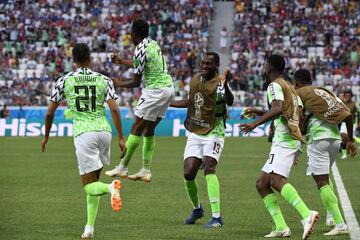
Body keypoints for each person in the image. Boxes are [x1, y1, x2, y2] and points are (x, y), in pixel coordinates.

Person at [40, 43, 126, 239]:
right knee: (93, 182)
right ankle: (89, 228)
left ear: (74, 61)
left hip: (84, 134)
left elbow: (49, 113)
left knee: (89, 185)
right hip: (104, 131)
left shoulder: (64, 81)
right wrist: (121, 137)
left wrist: (46, 135)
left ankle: (110, 187)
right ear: (90, 59)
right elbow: (114, 109)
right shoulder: (104, 79)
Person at [240, 54, 319, 239]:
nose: (264, 67)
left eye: (265, 64)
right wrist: (297, 141)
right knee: (262, 184)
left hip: (284, 140)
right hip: (290, 140)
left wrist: (255, 123)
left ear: (269, 67)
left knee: (276, 180)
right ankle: (281, 227)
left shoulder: (274, 85)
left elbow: (277, 109)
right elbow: (297, 113)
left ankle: (307, 214)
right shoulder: (291, 87)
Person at [105, 19, 174, 182]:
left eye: (131, 31)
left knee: (136, 128)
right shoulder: (152, 44)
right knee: (148, 130)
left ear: (134, 33)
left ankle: (122, 167)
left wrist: (118, 83)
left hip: (154, 91)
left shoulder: (140, 49)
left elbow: (136, 82)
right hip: (168, 89)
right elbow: (140, 64)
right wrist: (121, 61)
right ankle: (145, 170)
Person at [170, 52, 234, 228]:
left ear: (216, 66)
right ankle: (197, 209)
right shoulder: (196, 79)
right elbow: (189, 102)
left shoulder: (220, 83)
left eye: (208, 64)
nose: (204, 66)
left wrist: (226, 84)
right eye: (203, 63)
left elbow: (230, 101)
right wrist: (168, 103)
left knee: (209, 168)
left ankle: (217, 218)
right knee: (188, 173)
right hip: (196, 131)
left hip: (214, 130)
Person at [294, 68, 357, 236]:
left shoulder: (299, 92)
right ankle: (331, 215)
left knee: (321, 182)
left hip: (318, 139)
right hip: (335, 140)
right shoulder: (324, 92)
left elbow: (298, 118)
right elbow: (348, 115)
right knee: (325, 180)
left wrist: (297, 145)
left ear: (297, 82)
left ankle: (340, 224)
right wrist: (350, 140)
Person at [339, 89, 360, 159]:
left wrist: (359, 122)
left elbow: (359, 112)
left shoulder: (355, 104)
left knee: (348, 138)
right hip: (343, 123)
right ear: (344, 96)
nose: (347, 96)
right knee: (343, 137)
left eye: (349, 95)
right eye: (346, 95)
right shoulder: (342, 104)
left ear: (351, 96)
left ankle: (350, 146)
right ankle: (345, 153)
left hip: (352, 124)